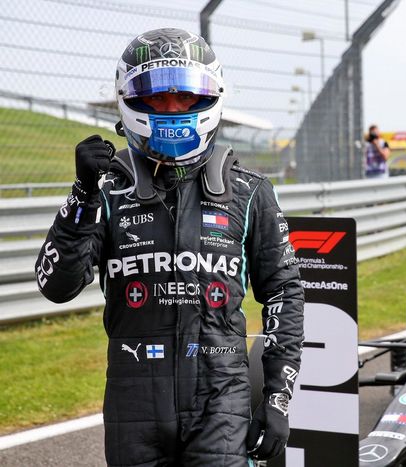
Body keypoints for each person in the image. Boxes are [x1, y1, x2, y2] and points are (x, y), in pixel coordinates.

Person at [35, 28, 304, 466]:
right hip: (133, 401)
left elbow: (284, 293)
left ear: (209, 98)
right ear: (130, 101)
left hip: (221, 399)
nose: (172, 109)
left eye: (184, 97)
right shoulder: (106, 190)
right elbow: (56, 285)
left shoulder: (249, 192)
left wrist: (277, 397)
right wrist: (81, 196)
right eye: (157, 98)